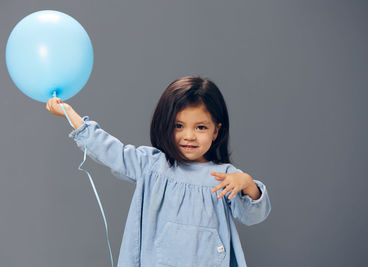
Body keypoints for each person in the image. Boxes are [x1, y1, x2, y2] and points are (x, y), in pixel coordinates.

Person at [46, 75, 271, 267]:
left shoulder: (224, 176)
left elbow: (252, 216)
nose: (189, 136)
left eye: (200, 127)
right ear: (165, 125)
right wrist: (70, 114)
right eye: (178, 126)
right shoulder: (152, 166)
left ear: (216, 131)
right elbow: (112, 152)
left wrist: (248, 184)